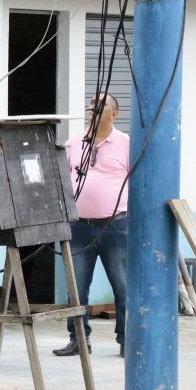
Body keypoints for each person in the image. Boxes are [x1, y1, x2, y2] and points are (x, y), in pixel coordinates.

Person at [53, 94, 129, 358]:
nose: (92, 108)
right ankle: (78, 340)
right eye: (90, 104)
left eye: (100, 105)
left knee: (122, 286)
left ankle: (126, 340)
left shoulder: (126, 144)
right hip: (79, 227)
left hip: (116, 227)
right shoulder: (75, 143)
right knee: (76, 287)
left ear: (114, 114)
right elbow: (61, 179)